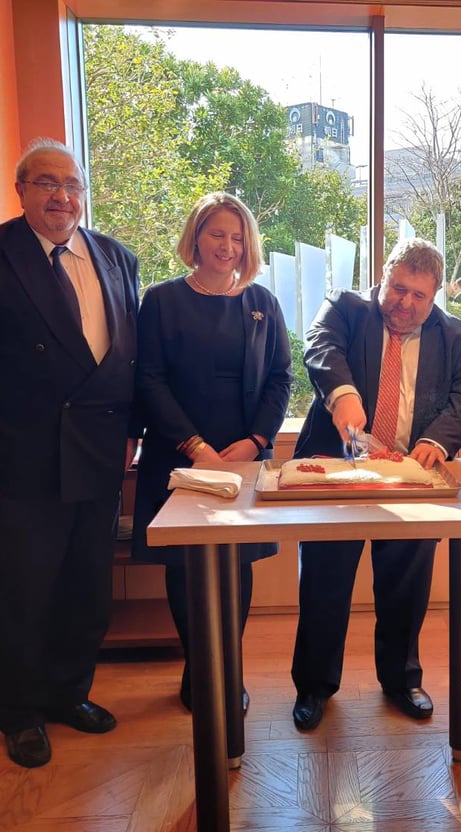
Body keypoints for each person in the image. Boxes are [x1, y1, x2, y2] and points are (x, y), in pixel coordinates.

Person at [290, 237, 461, 730]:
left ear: (435, 296)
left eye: (419, 295)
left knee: (406, 588)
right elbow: (320, 346)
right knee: (324, 584)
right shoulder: (346, 308)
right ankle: (314, 685)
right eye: (398, 289)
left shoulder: (456, 336)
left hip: (410, 478)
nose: (405, 303)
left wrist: (436, 441)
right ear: (383, 277)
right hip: (339, 473)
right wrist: (343, 395)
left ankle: (401, 679)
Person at [0, 138, 139, 768]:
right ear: (22, 191)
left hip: (100, 449)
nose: (62, 196)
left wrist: (134, 430)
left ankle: (69, 693)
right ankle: (20, 711)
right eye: (47, 183)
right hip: (24, 455)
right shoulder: (3, 251)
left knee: (87, 587)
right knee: (25, 590)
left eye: (72, 184)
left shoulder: (116, 257)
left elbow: (132, 356)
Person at [131, 192, 292, 712]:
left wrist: (255, 442)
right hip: (181, 455)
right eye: (217, 234)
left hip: (243, 457)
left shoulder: (262, 302)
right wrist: (196, 446)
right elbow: (149, 379)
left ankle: (228, 667)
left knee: (235, 564)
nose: (228, 246)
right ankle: (198, 668)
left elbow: (280, 378)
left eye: (237, 237)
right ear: (196, 238)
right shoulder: (162, 300)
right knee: (185, 566)